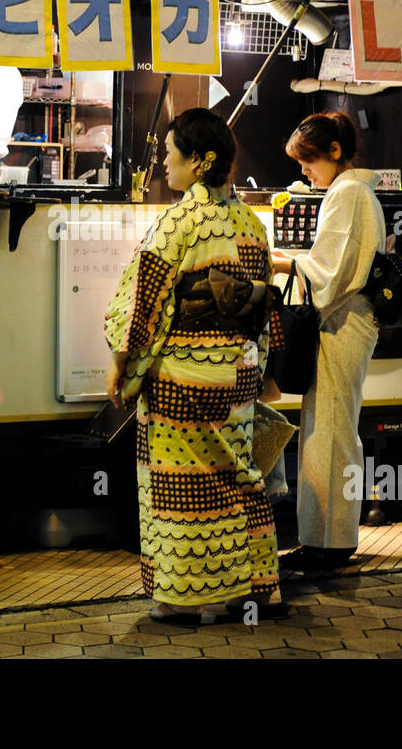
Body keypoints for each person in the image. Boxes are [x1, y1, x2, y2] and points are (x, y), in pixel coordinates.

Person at [105, 108, 284, 623]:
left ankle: (182, 599)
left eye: (171, 153)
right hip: (237, 376)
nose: (164, 162)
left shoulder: (179, 221)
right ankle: (250, 590)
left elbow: (146, 302)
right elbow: (261, 306)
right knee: (240, 477)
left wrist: (124, 364)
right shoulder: (251, 223)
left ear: (200, 162)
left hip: (183, 375)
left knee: (178, 484)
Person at [270, 110, 385, 572]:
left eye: (309, 160)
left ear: (335, 153)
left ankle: (329, 545)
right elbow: (333, 265)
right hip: (350, 321)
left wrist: (284, 265)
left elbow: (331, 274)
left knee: (332, 430)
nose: (304, 170)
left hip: (343, 323)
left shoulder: (348, 195)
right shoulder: (354, 192)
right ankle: (326, 538)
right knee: (332, 427)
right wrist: (298, 262)